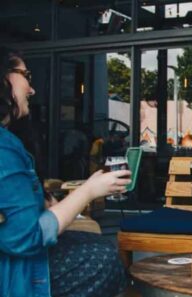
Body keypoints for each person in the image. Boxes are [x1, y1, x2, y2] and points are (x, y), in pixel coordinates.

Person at [0, 48, 130, 297]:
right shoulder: (3, 147)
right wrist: (88, 191)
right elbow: (27, 237)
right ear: (4, 78)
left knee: (99, 246)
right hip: (12, 272)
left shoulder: (11, 140)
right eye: (26, 75)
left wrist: (49, 200)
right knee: (102, 259)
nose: (32, 89)